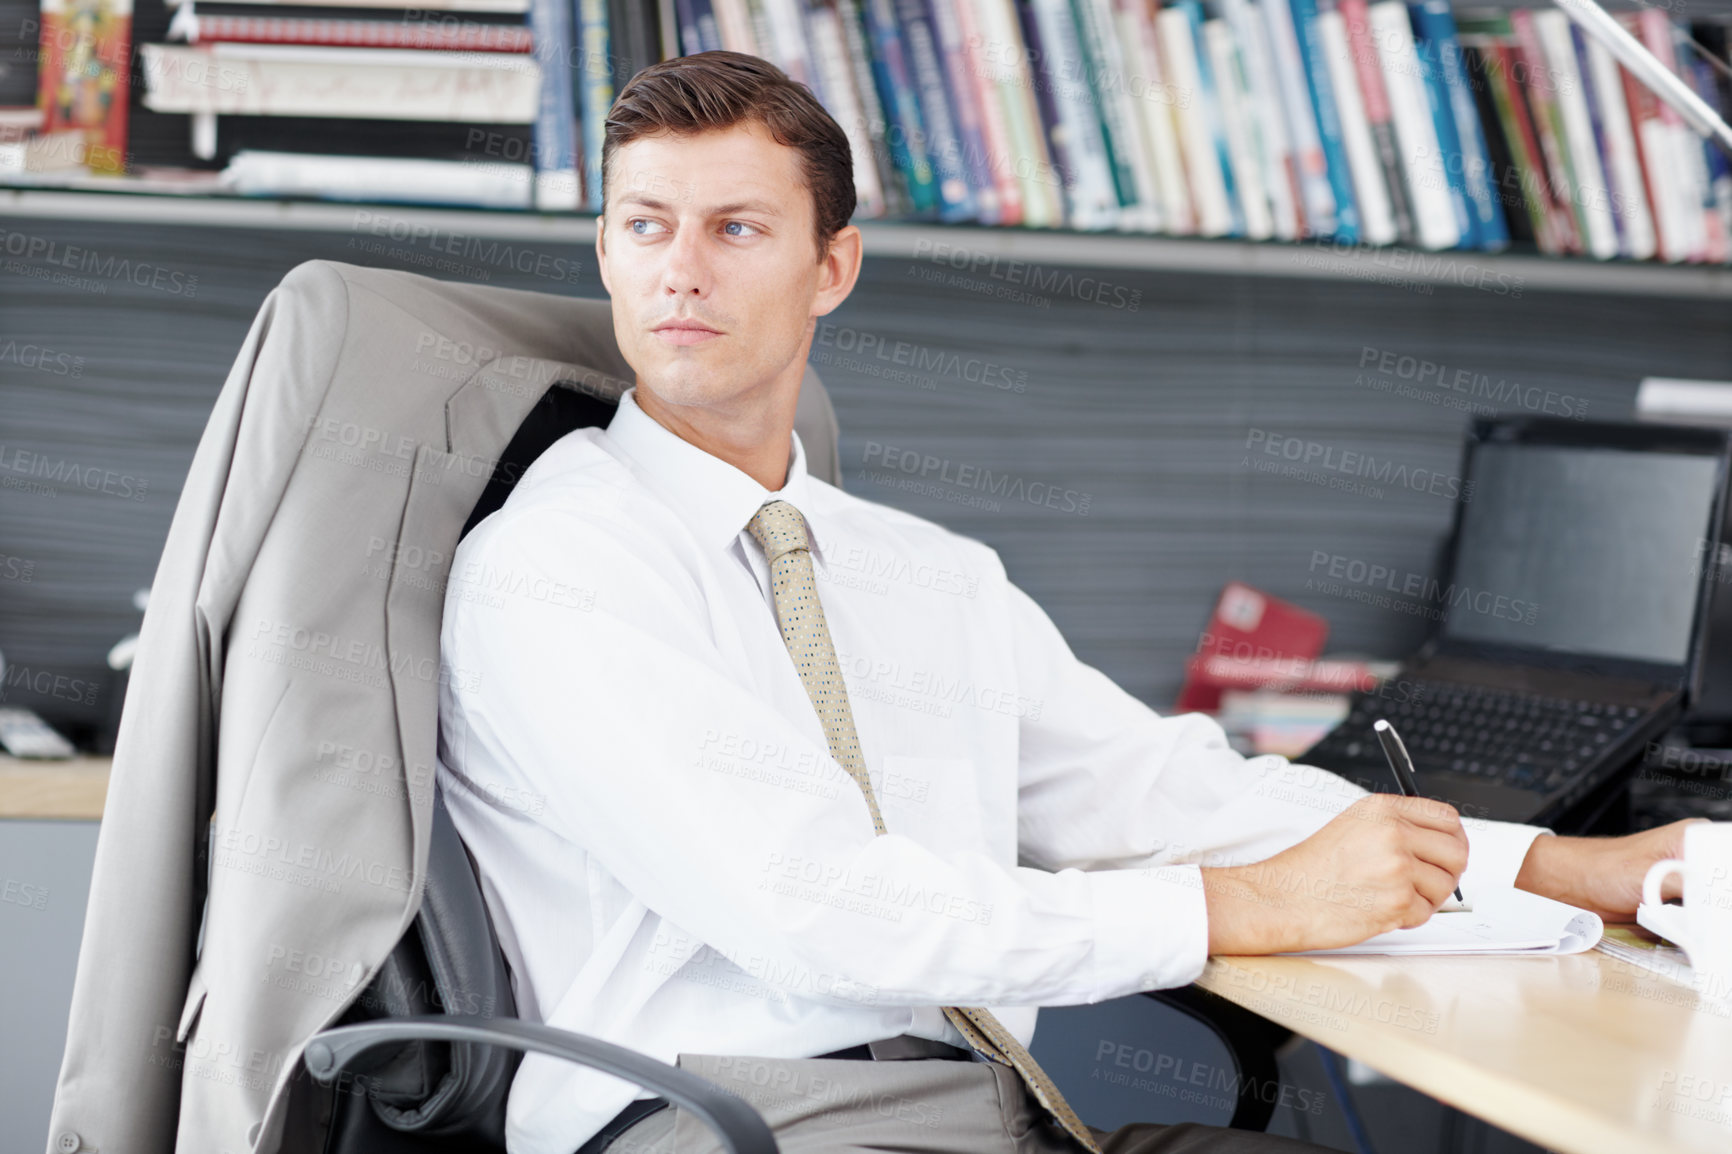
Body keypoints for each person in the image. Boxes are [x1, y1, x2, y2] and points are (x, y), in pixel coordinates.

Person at [433, 49, 1694, 1154]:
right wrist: (1248, 902)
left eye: (737, 229)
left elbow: (1159, 790)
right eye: (645, 226)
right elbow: (826, 913)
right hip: (711, 1122)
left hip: (980, 1107)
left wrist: (1577, 867)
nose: (681, 273)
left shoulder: (922, 570)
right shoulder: (562, 564)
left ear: (833, 267)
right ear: (603, 248)